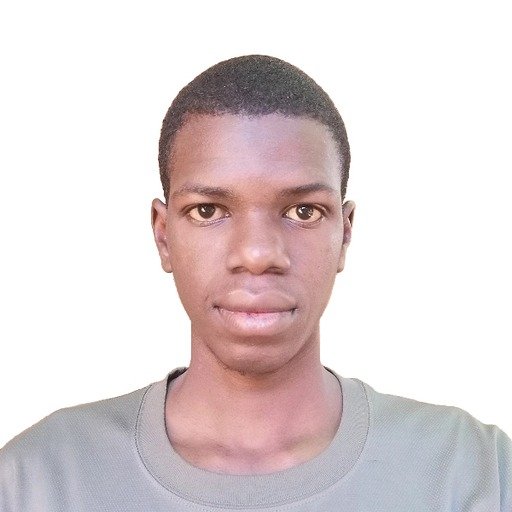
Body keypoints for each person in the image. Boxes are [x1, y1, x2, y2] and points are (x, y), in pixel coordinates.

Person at [0, 55, 510, 511]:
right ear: (162, 235)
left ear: (345, 233)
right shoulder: (37, 480)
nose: (258, 254)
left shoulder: (474, 472)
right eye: (208, 210)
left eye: (303, 211)